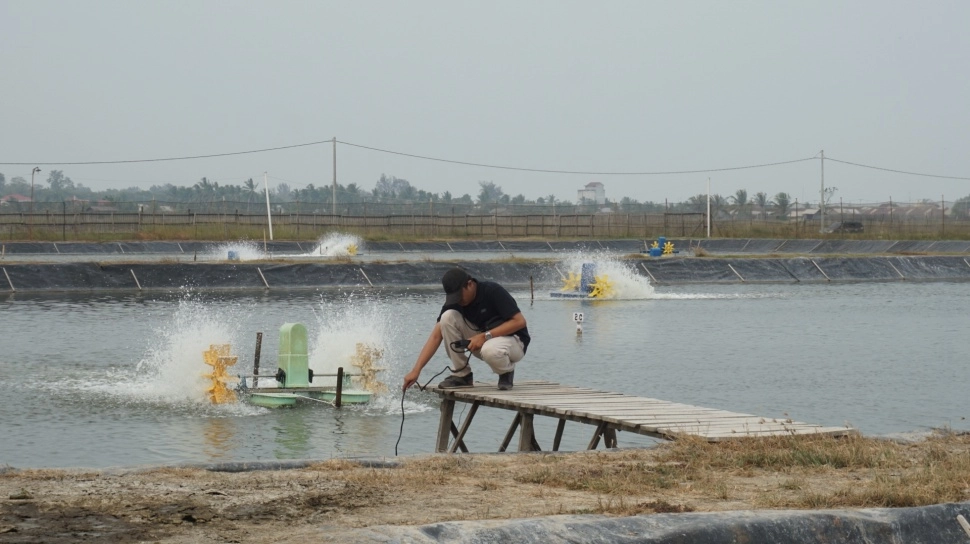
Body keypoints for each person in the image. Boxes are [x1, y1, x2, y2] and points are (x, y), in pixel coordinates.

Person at [402, 268, 530, 391]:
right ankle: (462, 374)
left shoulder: (492, 291)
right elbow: (435, 336)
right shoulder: (456, 302)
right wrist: (416, 370)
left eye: (459, 296)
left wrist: (485, 336)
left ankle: (506, 372)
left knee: (490, 349)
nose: (458, 301)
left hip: (514, 343)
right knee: (446, 318)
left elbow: (519, 321)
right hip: (484, 341)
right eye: (454, 298)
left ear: (469, 284)